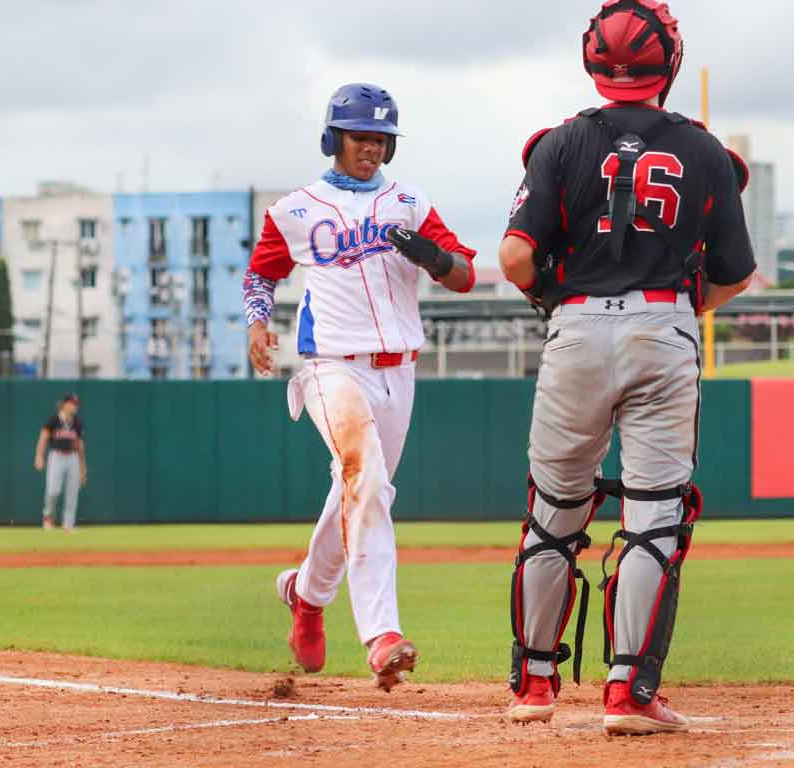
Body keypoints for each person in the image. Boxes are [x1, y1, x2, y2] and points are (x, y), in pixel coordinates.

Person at [500, 0, 756, 734]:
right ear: (668, 62)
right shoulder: (705, 152)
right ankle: (627, 696)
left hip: (576, 329)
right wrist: (672, 311)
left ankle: (534, 687)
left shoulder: (558, 145)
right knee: (655, 516)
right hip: (664, 327)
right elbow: (736, 272)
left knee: (553, 512)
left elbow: (516, 256)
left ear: (592, 61)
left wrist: (556, 296)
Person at [243, 83, 476, 691]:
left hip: (400, 370)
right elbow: (260, 275)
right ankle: (382, 635)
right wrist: (258, 324)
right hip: (330, 366)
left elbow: (465, 276)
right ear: (333, 139)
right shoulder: (296, 209)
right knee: (365, 479)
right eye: (359, 137)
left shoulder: (409, 202)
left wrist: (430, 254)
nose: (370, 147)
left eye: (380, 139)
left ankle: (306, 595)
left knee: (359, 491)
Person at [33, 393, 87, 531]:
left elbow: (80, 446)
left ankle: (68, 524)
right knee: (53, 490)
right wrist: (39, 456)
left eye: (76, 404)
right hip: (56, 456)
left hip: (72, 458)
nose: (75, 406)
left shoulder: (77, 422)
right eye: (72, 403)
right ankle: (48, 517)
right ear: (65, 404)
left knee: (72, 492)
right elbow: (43, 438)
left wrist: (83, 469)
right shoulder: (53, 420)